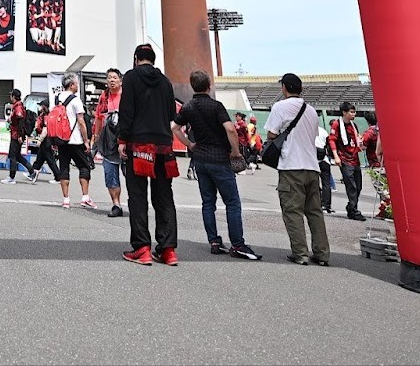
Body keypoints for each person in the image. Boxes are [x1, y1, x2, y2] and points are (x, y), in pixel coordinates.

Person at [172, 70, 262, 260]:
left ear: (192, 86)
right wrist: (236, 152)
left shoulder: (188, 107)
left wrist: (189, 144)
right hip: (220, 159)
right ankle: (237, 244)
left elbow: (174, 127)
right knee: (232, 202)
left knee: (208, 202)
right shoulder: (216, 106)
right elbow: (230, 129)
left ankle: (214, 240)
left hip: (201, 159)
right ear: (209, 86)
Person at [117, 43, 179, 265]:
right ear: (153, 59)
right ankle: (168, 249)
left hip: (139, 145)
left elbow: (127, 111)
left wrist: (122, 139)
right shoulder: (165, 81)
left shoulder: (131, 78)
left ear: (136, 59)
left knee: (138, 197)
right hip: (163, 146)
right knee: (164, 198)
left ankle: (142, 248)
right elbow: (172, 113)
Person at [268, 73, 328, 265]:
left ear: (284, 88)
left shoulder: (280, 107)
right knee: (315, 212)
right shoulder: (310, 110)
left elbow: (271, 133)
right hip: (312, 167)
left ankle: (300, 253)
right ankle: (322, 253)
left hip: (291, 167)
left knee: (292, 211)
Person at [50, 75, 95, 209]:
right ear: (71, 85)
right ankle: (85, 197)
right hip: (75, 140)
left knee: (64, 168)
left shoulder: (56, 98)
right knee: (84, 166)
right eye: (76, 83)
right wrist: (86, 140)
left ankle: (65, 199)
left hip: (62, 140)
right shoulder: (76, 100)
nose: (77, 86)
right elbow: (81, 122)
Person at [327, 101, 368, 221]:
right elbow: (332, 140)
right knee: (351, 186)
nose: (353, 114)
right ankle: (354, 210)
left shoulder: (353, 125)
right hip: (345, 159)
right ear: (344, 112)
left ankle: (351, 207)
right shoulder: (337, 124)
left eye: (354, 112)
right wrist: (336, 156)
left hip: (355, 158)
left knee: (358, 186)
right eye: (351, 112)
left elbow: (357, 138)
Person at [93, 68, 125, 217]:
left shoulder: (127, 95)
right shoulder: (104, 97)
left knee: (130, 175)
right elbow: (99, 117)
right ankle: (116, 205)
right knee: (110, 174)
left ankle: (135, 203)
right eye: (109, 78)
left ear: (120, 80)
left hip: (126, 139)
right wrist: (96, 136)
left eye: (114, 78)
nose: (111, 80)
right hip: (108, 140)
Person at [0, 88, 37, 183]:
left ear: (14, 96)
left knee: (12, 156)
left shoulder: (18, 107)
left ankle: (11, 177)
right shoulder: (16, 106)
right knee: (17, 156)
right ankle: (32, 171)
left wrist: (20, 135)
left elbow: (21, 121)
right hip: (16, 133)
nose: (10, 97)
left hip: (17, 135)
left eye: (11, 95)